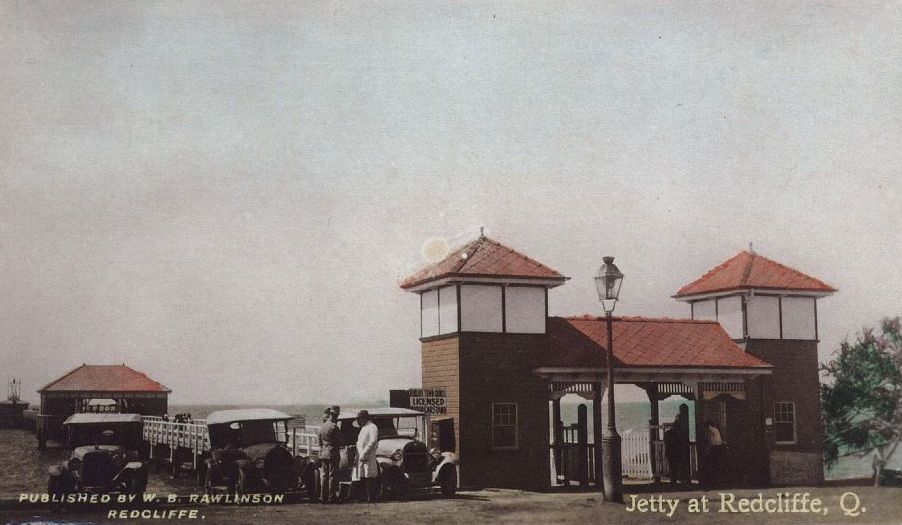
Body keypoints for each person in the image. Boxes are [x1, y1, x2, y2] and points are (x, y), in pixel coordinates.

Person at [318, 406, 343, 503]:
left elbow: (319, 440)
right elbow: (340, 441)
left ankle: (323, 497)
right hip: (333, 452)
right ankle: (332, 496)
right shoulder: (334, 427)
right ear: (336, 415)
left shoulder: (323, 426)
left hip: (324, 453)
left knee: (324, 475)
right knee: (333, 475)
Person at [355, 410, 380, 502]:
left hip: (369, 456)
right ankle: (364, 496)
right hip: (361, 456)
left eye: (360, 419)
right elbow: (359, 442)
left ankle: (372, 497)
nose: (358, 421)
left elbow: (373, 441)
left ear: (365, 418)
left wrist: (365, 453)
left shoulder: (373, 427)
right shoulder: (363, 428)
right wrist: (360, 453)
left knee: (370, 476)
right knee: (362, 476)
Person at [664, 415, 687, 485]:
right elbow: (681, 443)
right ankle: (675, 480)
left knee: (672, 466)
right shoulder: (679, 434)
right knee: (676, 467)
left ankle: (673, 480)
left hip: (670, 452)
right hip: (677, 453)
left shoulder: (667, 433)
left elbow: (666, 442)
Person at [703, 420, 724, 488]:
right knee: (714, 467)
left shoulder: (713, 431)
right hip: (715, 449)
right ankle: (714, 483)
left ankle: (713, 483)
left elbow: (715, 442)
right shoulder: (714, 431)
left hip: (714, 449)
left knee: (713, 466)